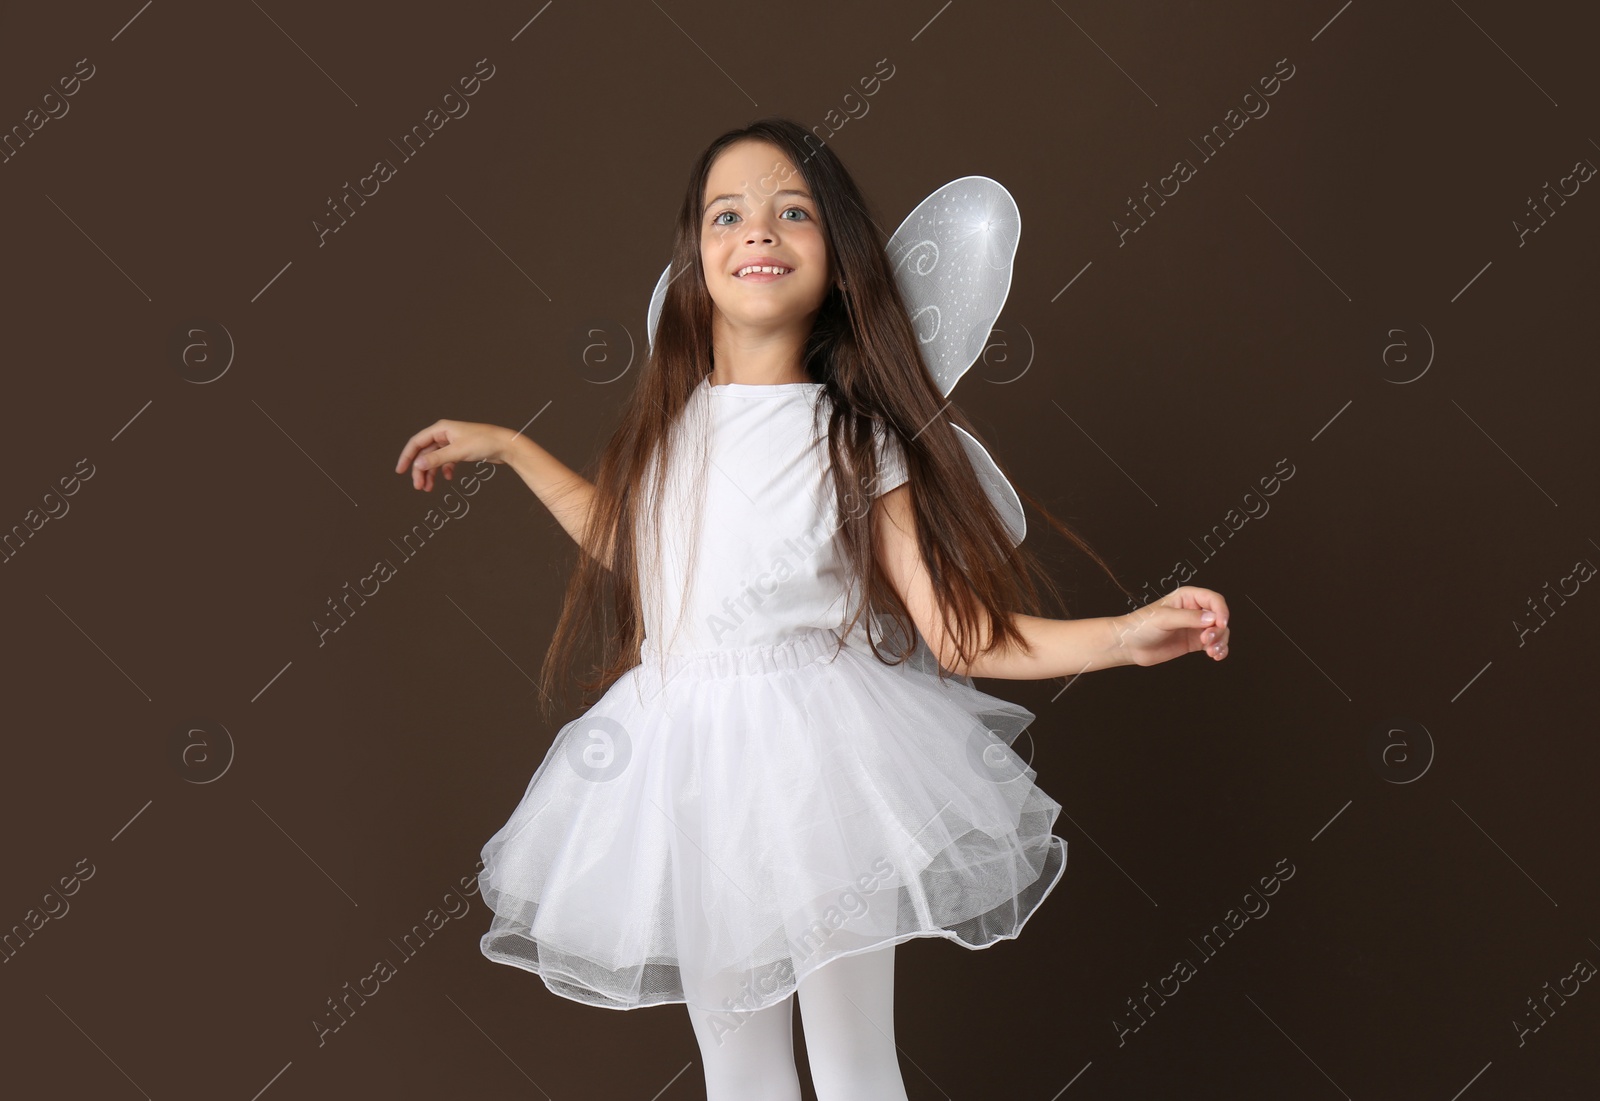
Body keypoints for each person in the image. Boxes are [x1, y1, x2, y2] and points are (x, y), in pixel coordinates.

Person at [394, 117, 1230, 1101]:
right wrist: (513, 448)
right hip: (686, 770)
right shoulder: (675, 429)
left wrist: (1125, 637)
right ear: (695, 260)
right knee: (738, 1070)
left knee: (851, 1063)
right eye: (727, 215)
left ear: (837, 265)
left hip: (819, 769)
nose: (757, 232)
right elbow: (638, 549)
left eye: (792, 212)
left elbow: (955, 631)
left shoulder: (853, 437)